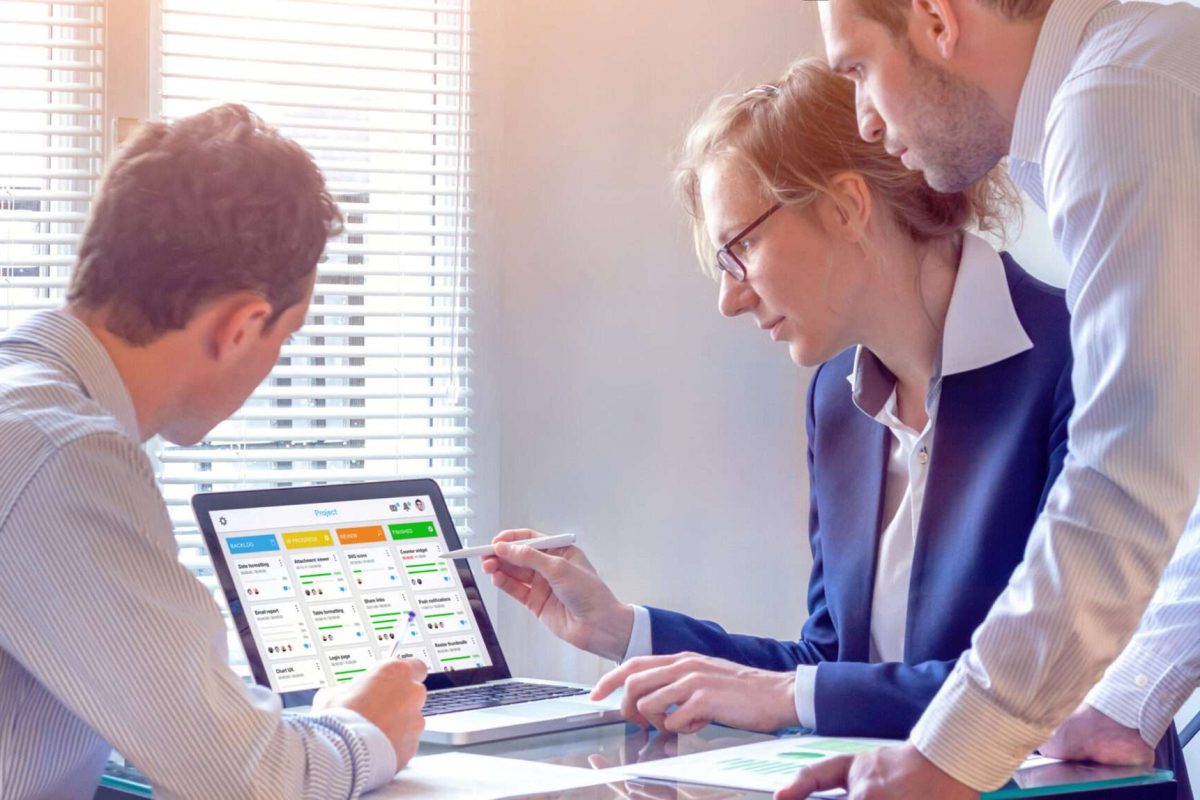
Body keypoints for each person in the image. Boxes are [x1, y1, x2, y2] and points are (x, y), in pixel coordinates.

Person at [481, 57, 1169, 768]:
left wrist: (792, 697)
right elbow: (828, 663)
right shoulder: (837, 398)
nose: (730, 298)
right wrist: (623, 630)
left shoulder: (1083, 358)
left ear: (845, 205)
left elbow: (1061, 686)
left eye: (740, 248)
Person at [779, 0, 1200, 797]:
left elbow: (1129, 471)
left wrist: (949, 756)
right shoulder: (1123, 88)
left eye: (862, 68)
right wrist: (1125, 696)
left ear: (937, 19)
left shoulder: (1117, 97)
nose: (864, 121)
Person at [0, 105, 427, 798]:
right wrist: (365, 730)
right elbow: (250, 781)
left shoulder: (26, 408)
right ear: (241, 326)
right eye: (283, 339)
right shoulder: (62, 457)